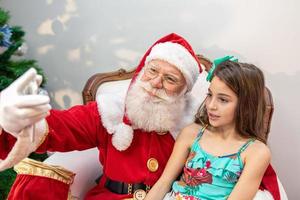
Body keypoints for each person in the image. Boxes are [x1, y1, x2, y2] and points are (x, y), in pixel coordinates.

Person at [0, 34, 280, 200]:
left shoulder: (191, 128)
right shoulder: (109, 112)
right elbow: (61, 127)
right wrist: (17, 120)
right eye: (152, 72)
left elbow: (260, 177)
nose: (156, 83)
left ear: (184, 90)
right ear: (141, 72)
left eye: (170, 78)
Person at [145, 59, 272, 200]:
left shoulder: (256, 152)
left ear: (247, 105)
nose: (211, 106)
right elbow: (164, 183)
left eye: (223, 100)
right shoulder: (192, 133)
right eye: (210, 95)